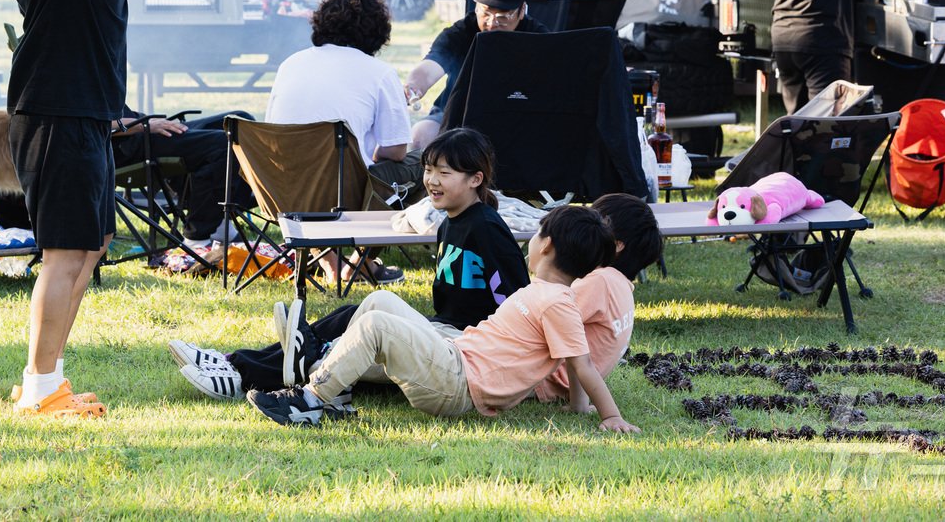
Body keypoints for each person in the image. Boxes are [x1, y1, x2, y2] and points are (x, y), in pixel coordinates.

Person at [168, 127, 531, 400]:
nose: (431, 181)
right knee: (351, 313)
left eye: (444, 173)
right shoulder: (453, 220)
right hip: (442, 326)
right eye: (428, 170)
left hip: (464, 342)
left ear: (475, 179)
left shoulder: (486, 229)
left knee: (351, 336)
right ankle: (236, 362)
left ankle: (241, 373)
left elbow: (517, 302)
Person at [247, 204, 639, 432]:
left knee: (376, 326)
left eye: (537, 233)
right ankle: (334, 378)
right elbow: (572, 364)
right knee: (381, 300)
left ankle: (310, 399)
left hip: (458, 385)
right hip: (456, 354)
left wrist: (609, 415)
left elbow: (581, 364)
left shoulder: (559, 303)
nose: (532, 240)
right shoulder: (545, 292)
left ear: (547, 244)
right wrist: (576, 406)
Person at [3, 0, 146, 417]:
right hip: (55, 110)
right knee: (65, 252)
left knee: (92, 246)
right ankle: (39, 388)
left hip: (84, 110)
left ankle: (50, 378)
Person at [264, 0, 423, 283]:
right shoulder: (379, 72)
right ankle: (356, 262)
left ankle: (329, 263)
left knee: (330, 180)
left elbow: (273, 133)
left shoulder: (290, 64)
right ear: (378, 33)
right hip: (342, 193)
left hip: (279, 189)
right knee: (423, 163)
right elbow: (396, 151)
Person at [534, 193, 663, 410]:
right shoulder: (619, 284)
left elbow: (537, 324)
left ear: (617, 245)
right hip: (565, 384)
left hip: (540, 380)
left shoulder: (599, 282)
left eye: (596, 224)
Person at [403, 0, 548, 150]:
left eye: (503, 16)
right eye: (485, 13)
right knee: (420, 136)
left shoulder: (538, 37)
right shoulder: (461, 32)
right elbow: (430, 67)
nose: (492, 23)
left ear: (521, 11)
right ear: (476, 7)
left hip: (516, 117)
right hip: (456, 115)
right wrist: (414, 87)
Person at [110, 108, 255, 246]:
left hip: (143, 128)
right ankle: (197, 239)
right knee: (225, 144)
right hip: (127, 147)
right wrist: (144, 124)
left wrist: (149, 121)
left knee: (241, 122)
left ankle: (221, 222)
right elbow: (94, 123)